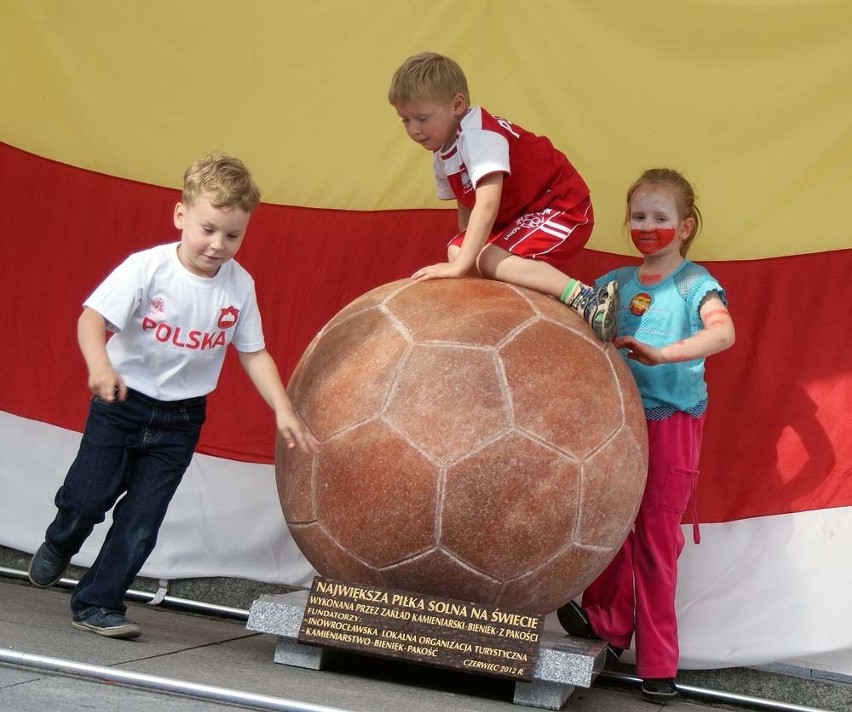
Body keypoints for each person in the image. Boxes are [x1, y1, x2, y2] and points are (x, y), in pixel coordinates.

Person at [27, 153, 319, 639]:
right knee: (87, 498)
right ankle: (62, 539)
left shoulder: (239, 286)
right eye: (208, 229)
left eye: (233, 235)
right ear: (181, 215)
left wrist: (284, 409)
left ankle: (99, 603)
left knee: (142, 520)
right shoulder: (149, 268)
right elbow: (91, 319)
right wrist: (100, 366)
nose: (218, 245)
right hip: (122, 403)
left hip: (180, 420)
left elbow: (253, 353)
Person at [556, 168, 735, 703]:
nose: (648, 225)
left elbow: (722, 332)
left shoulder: (694, 283)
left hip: (672, 425)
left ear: (685, 226)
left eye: (661, 217)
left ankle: (660, 663)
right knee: (609, 524)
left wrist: (664, 353)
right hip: (619, 424)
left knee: (656, 543)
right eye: (639, 216)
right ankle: (606, 626)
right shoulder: (614, 283)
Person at [388, 52, 618, 341]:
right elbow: (467, 203)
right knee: (458, 249)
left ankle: (586, 298)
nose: (414, 129)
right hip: (520, 216)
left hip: (559, 206)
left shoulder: (479, 135)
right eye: (405, 120)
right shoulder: (442, 150)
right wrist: (464, 261)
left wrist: (465, 266)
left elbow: (487, 202)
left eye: (422, 118)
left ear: (457, 104)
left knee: (485, 259)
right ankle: (500, 302)